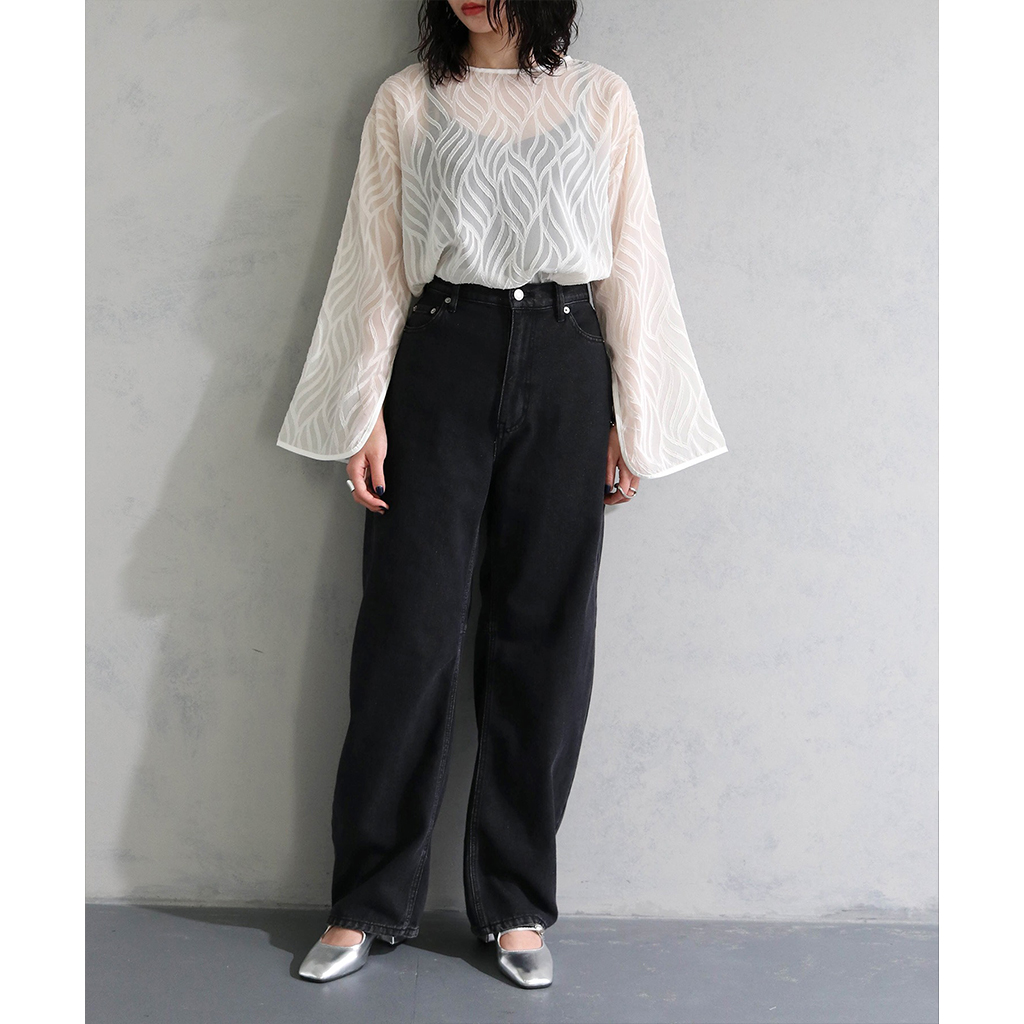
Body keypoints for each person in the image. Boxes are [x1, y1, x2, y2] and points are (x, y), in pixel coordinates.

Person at [278, 0, 728, 990]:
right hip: (440, 357)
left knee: (545, 639)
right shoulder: (407, 101)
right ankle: (367, 900)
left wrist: (632, 412)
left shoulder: (600, 98)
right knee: (407, 635)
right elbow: (373, 259)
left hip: (567, 363)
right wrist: (362, 410)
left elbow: (634, 256)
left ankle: (516, 903)